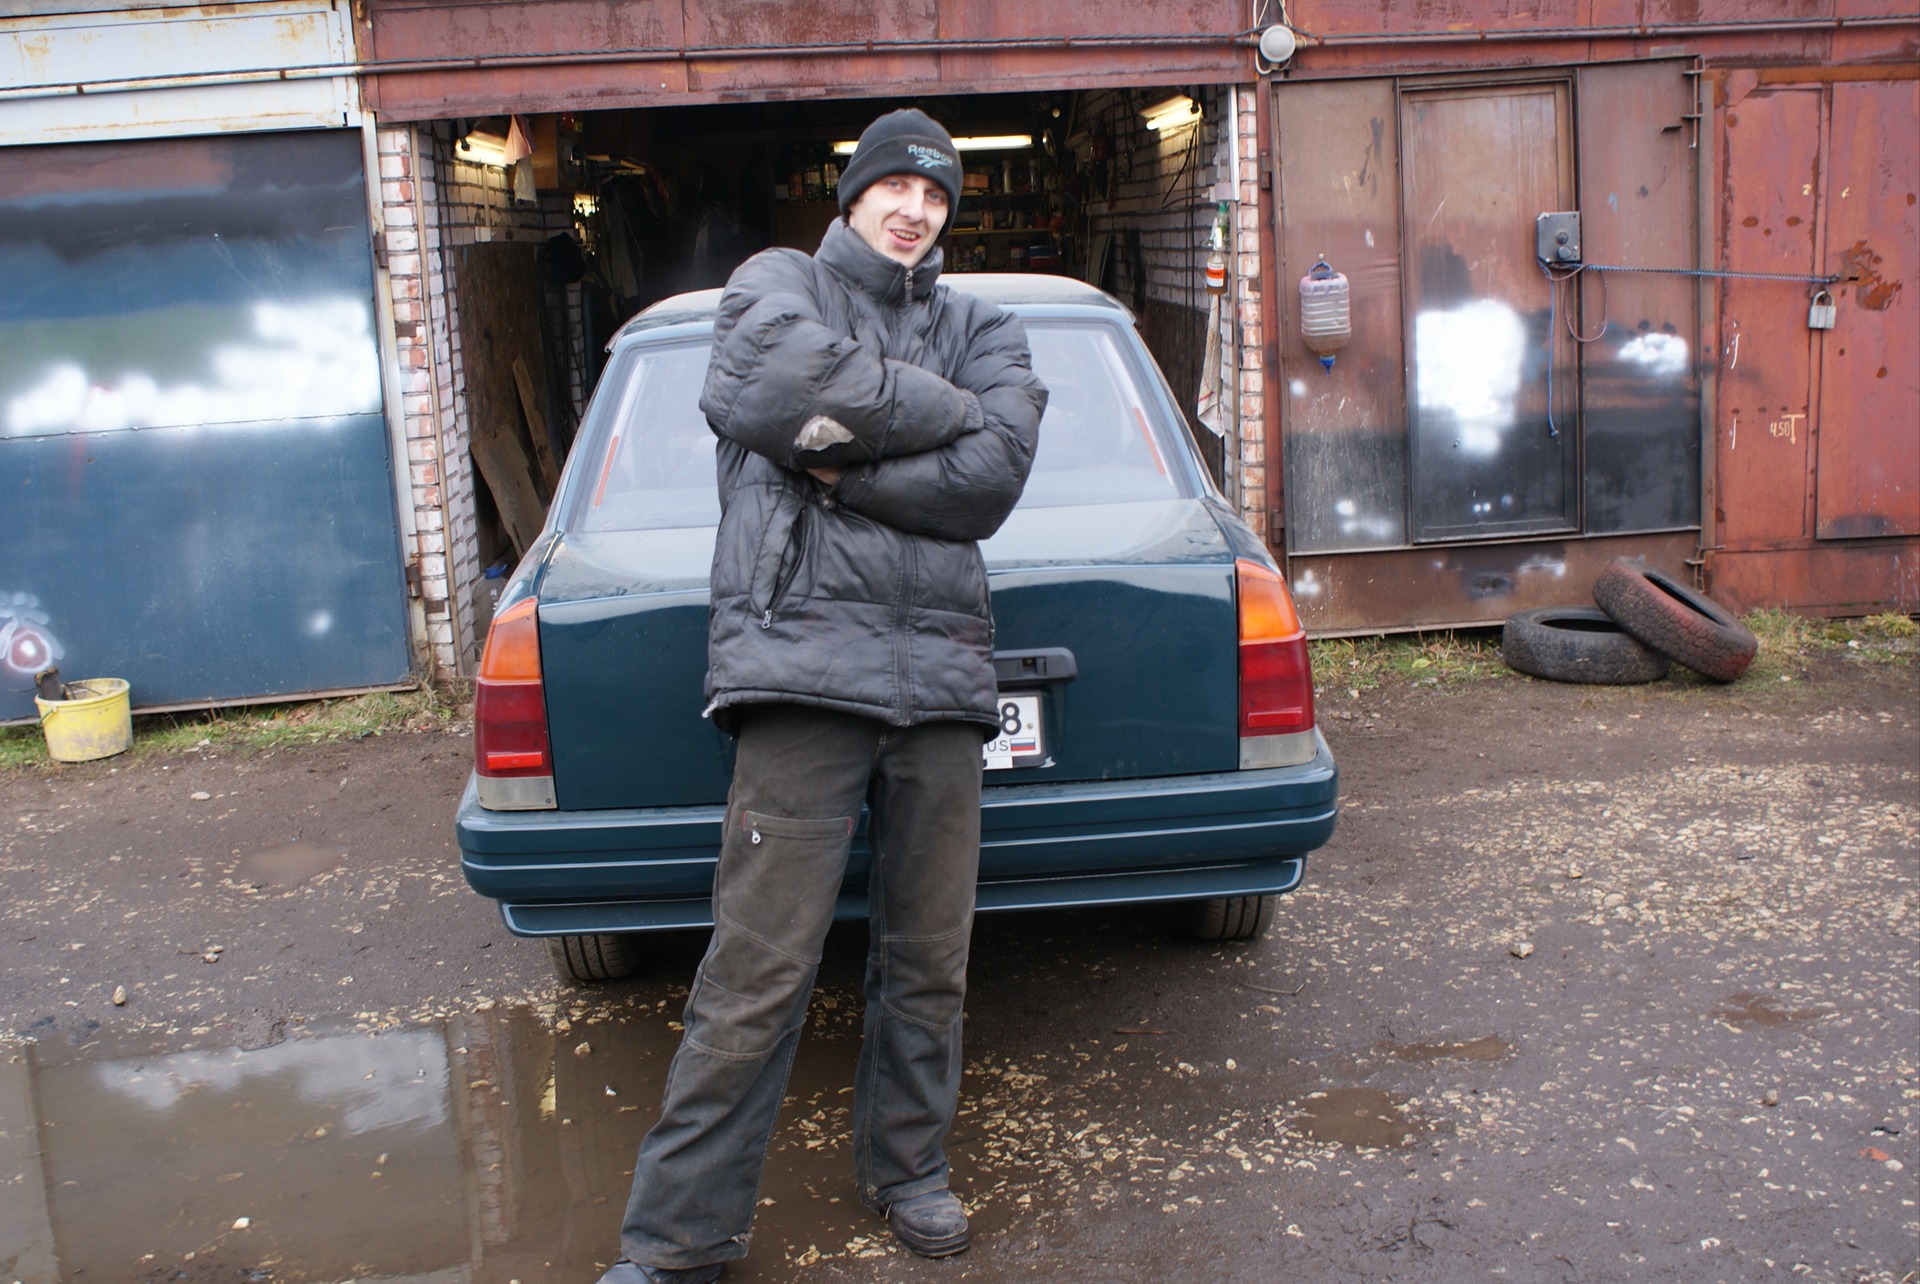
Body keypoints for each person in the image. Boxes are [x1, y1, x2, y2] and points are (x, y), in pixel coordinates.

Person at [599, 107, 1048, 1284]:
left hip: (944, 679)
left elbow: (993, 476)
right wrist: (938, 411)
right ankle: (677, 1239)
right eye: (895, 187)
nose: (915, 209)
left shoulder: (984, 322)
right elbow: (770, 385)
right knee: (757, 971)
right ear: (852, 196)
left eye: (938, 195)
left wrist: (839, 468)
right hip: (800, 669)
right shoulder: (775, 282)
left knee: (931, 958)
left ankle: (910, 1170)